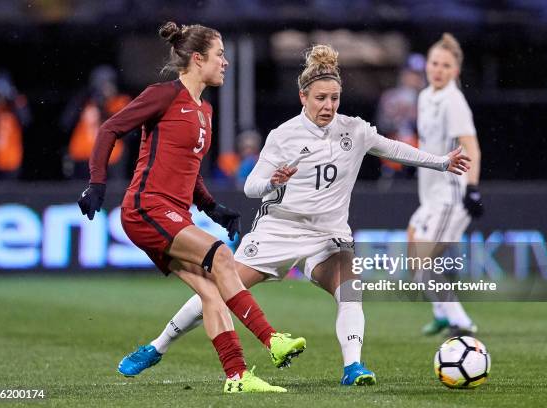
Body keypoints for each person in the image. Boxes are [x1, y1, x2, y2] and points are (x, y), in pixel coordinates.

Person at [117, 44, 470, 386]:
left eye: (334, 98)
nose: (329, 106)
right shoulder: (283, 136)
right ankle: (156, 346)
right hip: (279, 230)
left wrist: (441, 161)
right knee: (219, 290)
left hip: (328, 234)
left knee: (351, 290)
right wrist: (272, 180)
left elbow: (394, 148)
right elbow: (251, 186)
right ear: (303, 97)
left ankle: (354, 367)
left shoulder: (354, 130)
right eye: (320, 98)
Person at [77, 21, 307, 394]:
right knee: (221, 258)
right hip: (145, 208)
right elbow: (109, 130)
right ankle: (271, 339)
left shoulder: (204, 110)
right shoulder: (163, 95)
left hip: (173, 214)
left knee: (211, 292)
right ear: (198, 59)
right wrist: (97, 183)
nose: (225, 62)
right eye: (219, 55)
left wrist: (213, 207)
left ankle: (237, 376)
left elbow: (189, 170)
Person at [407, 33, 483, 337]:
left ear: (456, 71)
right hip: (430, 195)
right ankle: (442, 313)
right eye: (434, 63)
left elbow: (472, 147)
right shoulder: (426, 97)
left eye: (446, 65)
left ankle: (461, 322)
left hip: (452, 194)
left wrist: (473, 188)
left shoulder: (453, 101)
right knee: (413, 247)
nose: (438, 70)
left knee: (423, 259)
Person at [60, 65, 131, 179]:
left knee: (111, 193)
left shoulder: (121, 102)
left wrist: (102, 106)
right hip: (82, 156)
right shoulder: (85, 101)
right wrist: (83, 98)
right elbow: (66, 122)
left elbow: (125, 128)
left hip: (110, 158)